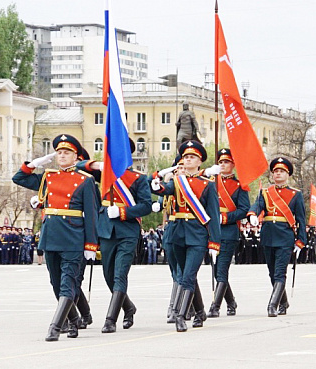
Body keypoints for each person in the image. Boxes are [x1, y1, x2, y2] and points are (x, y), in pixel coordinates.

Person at [13, 134, 99, 342]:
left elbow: (92, 214)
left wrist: (90, 244)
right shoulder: (48, 177)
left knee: (68, 282)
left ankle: (55, 326)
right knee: (55, 281)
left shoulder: (85, 181)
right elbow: (19, 178)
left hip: (73, 236)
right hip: (51, 235)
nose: (62, 156)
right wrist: (33, 164)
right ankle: (73, 320)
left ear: (76, 157)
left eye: (66, 152)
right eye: (59, 152)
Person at [78, 138, 152, 333]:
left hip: (127, 231)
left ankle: (111, 319)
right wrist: (97, 164)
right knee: (109, 276)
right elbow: (77, 165)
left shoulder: (138, 178)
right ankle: (128, 307)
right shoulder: (102, 174)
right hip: (105, 230)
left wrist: (123, 212)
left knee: (120, 275)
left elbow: (146, 206)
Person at [151, 140, 221, 332]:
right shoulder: (176, 182)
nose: (188, 160)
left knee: (188, 275)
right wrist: (158, 177)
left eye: (192, 157)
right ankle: (199, 311)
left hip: (197, 235)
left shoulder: (207, 184)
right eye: (186, 157)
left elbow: (213, 215)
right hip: (178, 234)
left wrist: (214, 242)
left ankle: (181, 316)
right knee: (185, 275)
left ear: (199, 162)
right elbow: (160, 190)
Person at [247, 157, 306, 317]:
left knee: (280, 272)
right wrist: (252, 214)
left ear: (288, 175)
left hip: (285, 236)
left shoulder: (295, 194)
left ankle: (272, 305)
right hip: (268, 235)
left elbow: (301, 219)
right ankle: (283, 301)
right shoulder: (265, 192)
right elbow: (257, 205)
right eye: (275, 172)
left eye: (281, 171)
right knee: (272, 272)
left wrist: (301, 241)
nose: (278, 174)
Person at [207, 148, 250, 318]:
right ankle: (231, 302)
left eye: (226, 162)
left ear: (233, 165)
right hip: (211, 231)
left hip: (228, 231)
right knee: (216, 269)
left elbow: (243, 210)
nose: (223, 164)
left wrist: (224, 218)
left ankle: (215, 306)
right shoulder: (210, 182)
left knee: (222, 269)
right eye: (220, 161)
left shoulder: (240, 186)